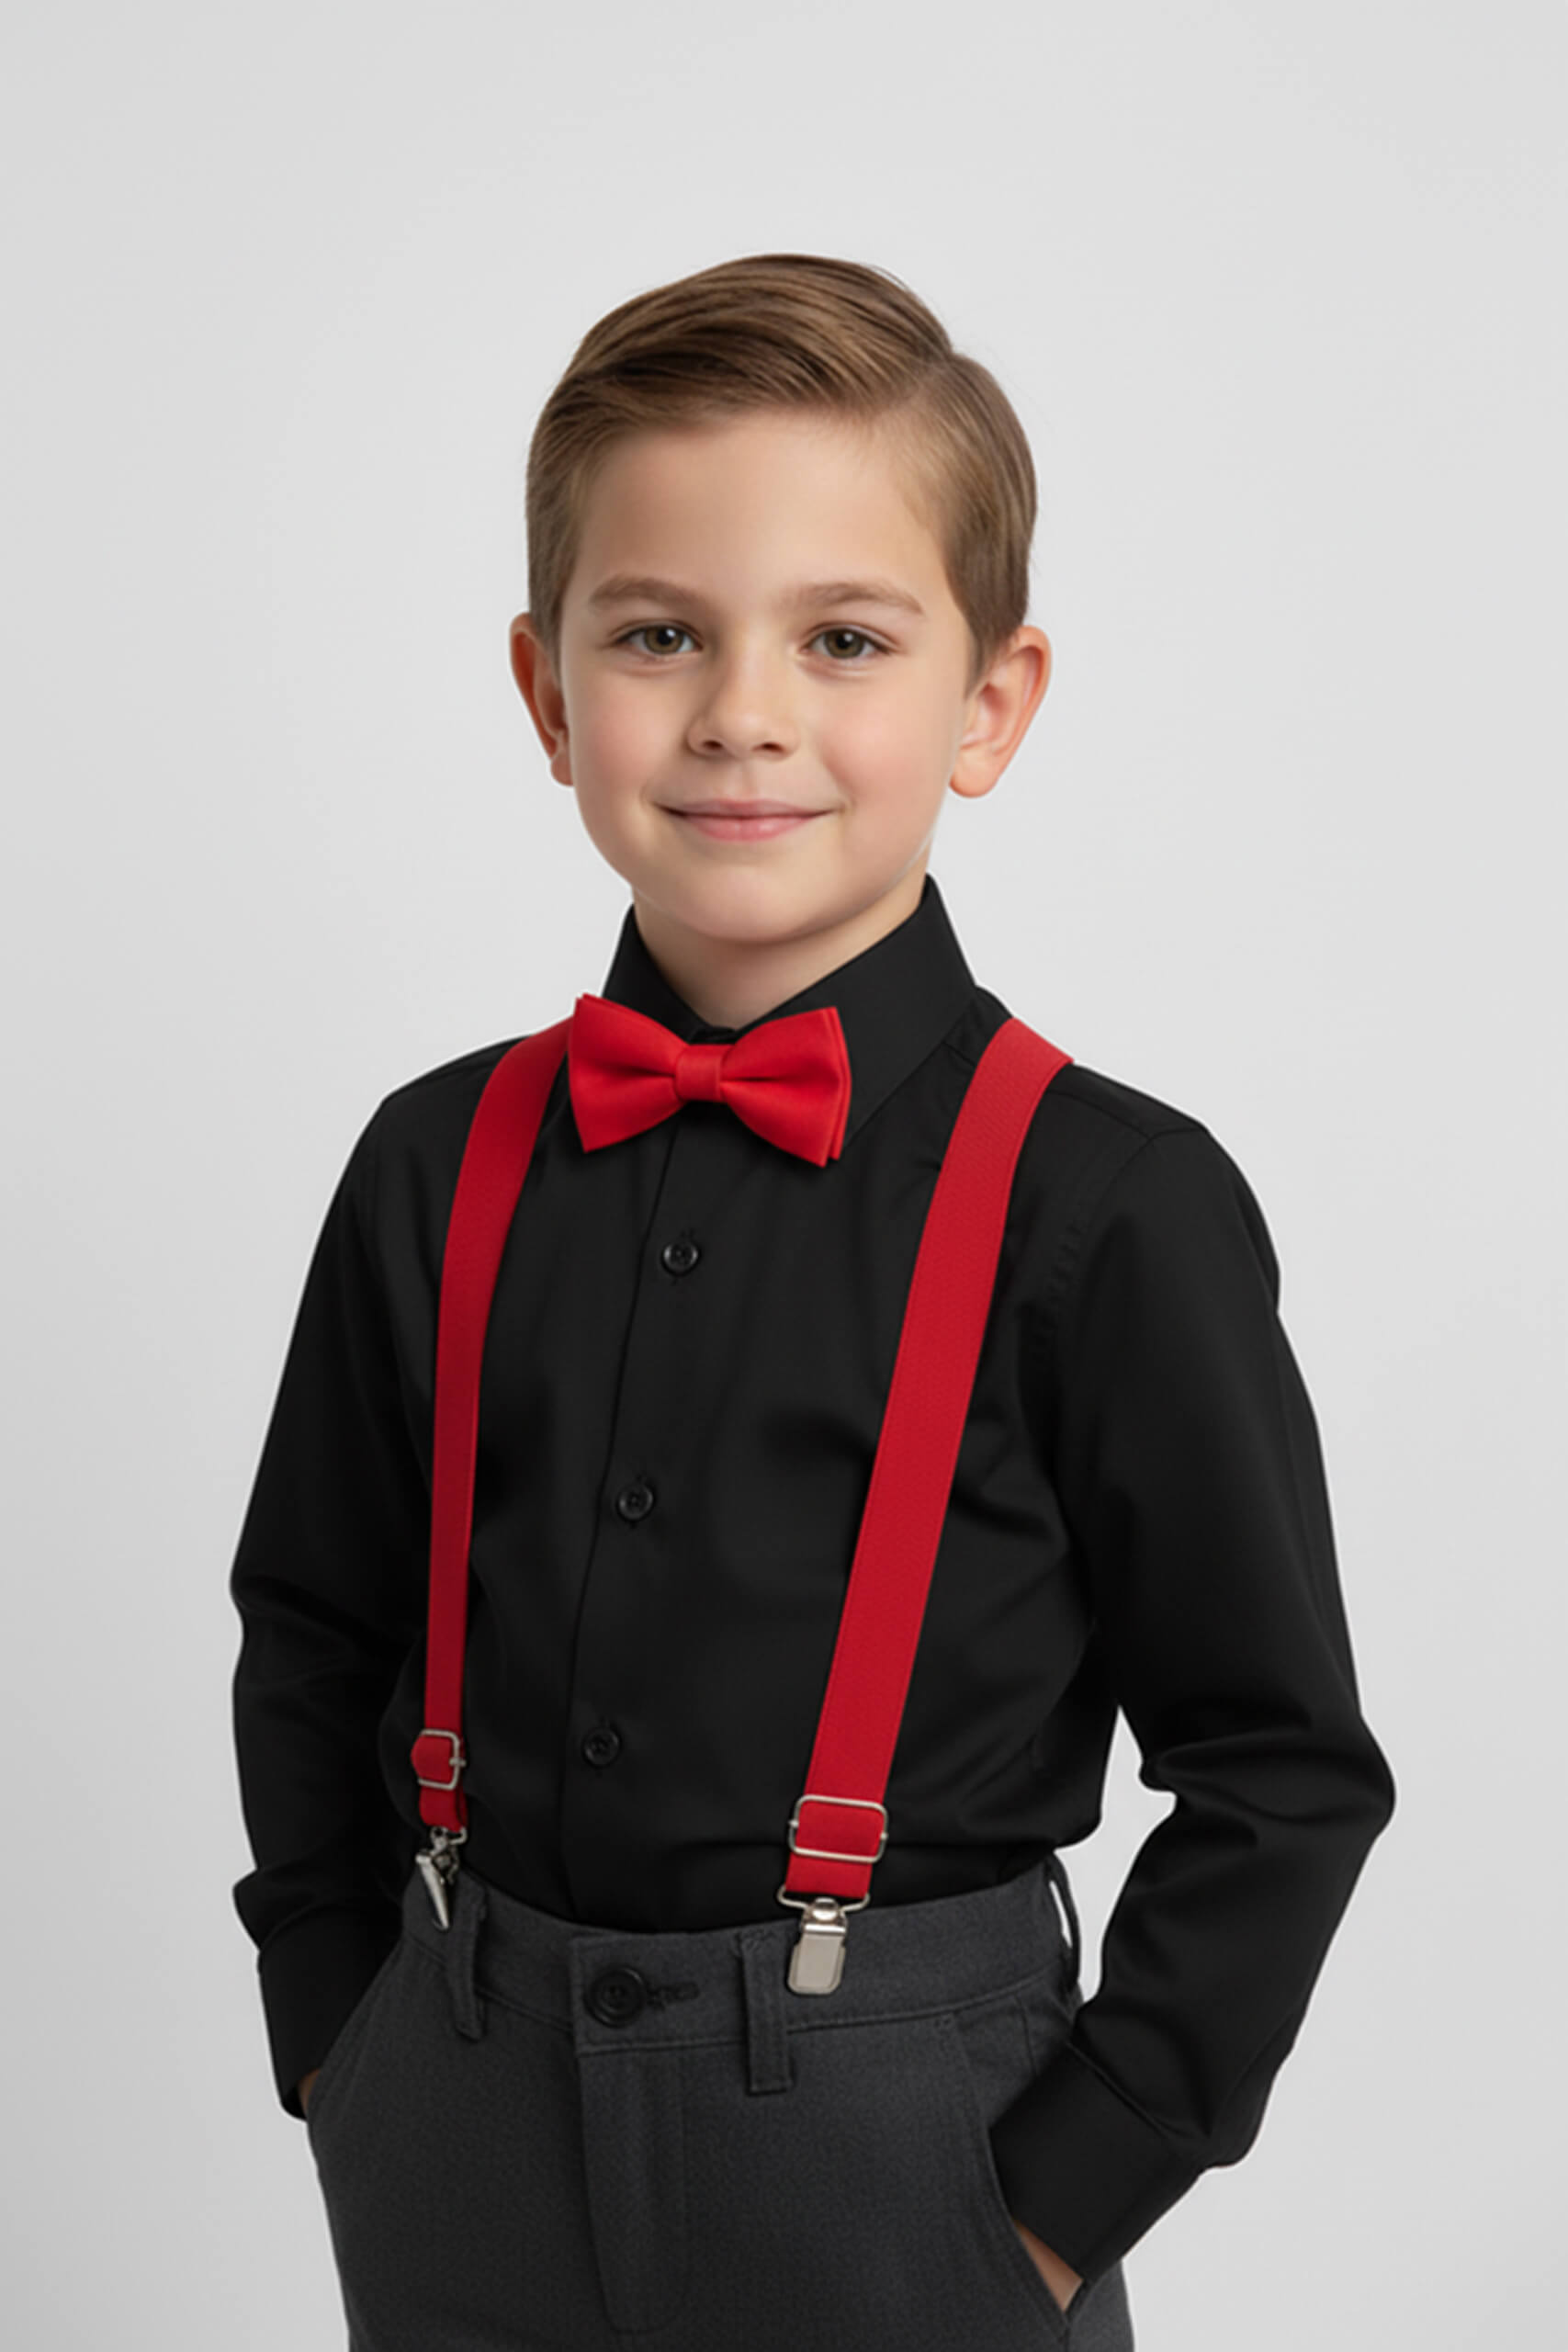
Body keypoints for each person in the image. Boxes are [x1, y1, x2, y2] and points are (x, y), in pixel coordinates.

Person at [228, 251, 1396, 2352]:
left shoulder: (1110, 1204)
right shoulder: (431, 1158)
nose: (739, 711)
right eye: (657, 631)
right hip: (456, 2102)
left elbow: (1276, 1759)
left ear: (987, 703)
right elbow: (314, 1621)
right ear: (547, 693)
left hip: (902, 2151)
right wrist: (339, 2025)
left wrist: (1059, 2196)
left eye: (840, 638)